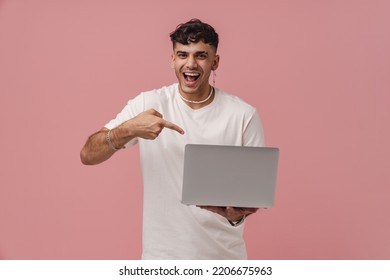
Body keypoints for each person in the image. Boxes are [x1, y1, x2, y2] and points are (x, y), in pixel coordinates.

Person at [80, 19, 264, 259]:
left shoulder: (243, 115)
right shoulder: (147, 104)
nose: (191, 64)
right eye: (182, 54)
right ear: (172, 60)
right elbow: (88, 155)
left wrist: (236, 216)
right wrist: (128, 129)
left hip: (224, 259)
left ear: (215, 62)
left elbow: (253, 195)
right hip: (162, 258)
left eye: (201, 55)